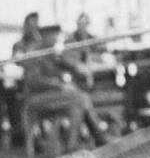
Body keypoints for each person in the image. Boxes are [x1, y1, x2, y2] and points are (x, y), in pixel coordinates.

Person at [11, 14, 109, 148]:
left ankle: (72, 145)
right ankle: (99, 137)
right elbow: (34, 81)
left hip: (49, 96)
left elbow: (65, 64)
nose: (57, 40)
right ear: (47, 37)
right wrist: (60, 85)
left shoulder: (51, 53)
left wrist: (71, 73)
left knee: (78, 106)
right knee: (81, 97)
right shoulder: (36, 55)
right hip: (35, 99)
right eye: (55, 37)